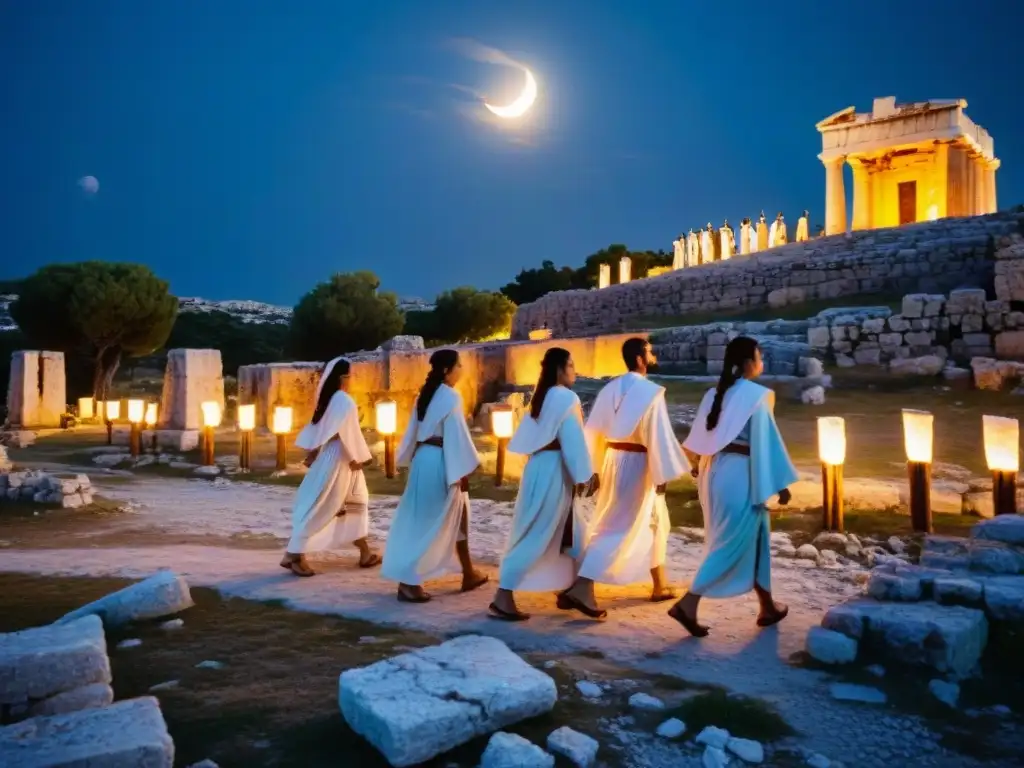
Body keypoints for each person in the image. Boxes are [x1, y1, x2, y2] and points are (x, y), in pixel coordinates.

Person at [668, 337, 798, 637]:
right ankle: (687, 604)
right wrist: (780, 485)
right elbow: (766, 441)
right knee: (730, 543)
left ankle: (767, 605)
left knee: (757, 534)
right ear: (749, 361)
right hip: (739, 475)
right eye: (760, 356)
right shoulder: (757, 395)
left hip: (714, 473)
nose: (762, 361)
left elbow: (699, 444)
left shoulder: (714, 393)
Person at [559, 338, 690, 619]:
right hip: (640, 463)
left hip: (613, 459)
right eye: (650, 351)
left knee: (657, 520)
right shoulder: (651, 393)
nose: (653, 354)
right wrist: (661, 470)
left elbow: (594, 429)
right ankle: (582, 586)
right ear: (640, 359)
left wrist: (592, 467)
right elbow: (658, 434)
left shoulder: (610, 388)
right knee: (618, 526)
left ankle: (659, 584)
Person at [489, 348, 596, 621]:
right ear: (560, 368)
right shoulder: (565, 397)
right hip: (554, 471)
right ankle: (503, 595)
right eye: (571, 365)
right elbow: (572, 439)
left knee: (571, 531)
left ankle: (572, 588)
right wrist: (586, 475)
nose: (575, 370)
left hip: (540, 467)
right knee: (538, 532)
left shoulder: (544, 395)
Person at [381, 349, 489, 602]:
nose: (462, 369)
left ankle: (469, 572)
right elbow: (456, 435)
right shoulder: (451, 397)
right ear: (447, 370)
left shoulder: (426, 395)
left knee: (457, 514)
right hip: (441, 461)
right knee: (429, 521)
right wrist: (462, 470)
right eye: (459, 365)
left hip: (424, 460)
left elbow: (413, 432)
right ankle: (408, 581)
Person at [280, 357, 378, 577]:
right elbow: (345, 432)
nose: (352, 379)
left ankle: (365, 552)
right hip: (341, 459)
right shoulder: (343, 400)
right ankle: (294, 554)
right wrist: (359, 456)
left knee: (356, 503)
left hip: (338, 455)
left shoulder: (332, 399)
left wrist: (314, 452)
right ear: (343, 377)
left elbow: (328, 430)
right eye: (350, 375)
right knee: (324, 505)